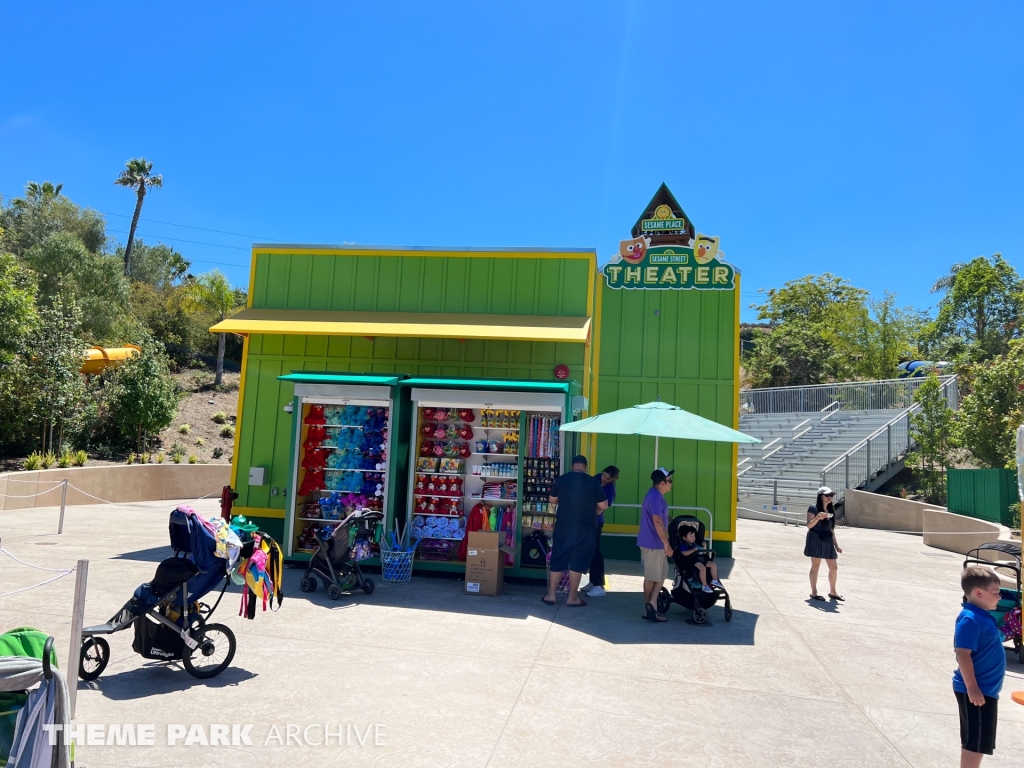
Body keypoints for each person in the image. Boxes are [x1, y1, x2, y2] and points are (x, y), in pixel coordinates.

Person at [953, 566, 1006, 767]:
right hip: (977, 692)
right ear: (978, 592)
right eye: (996, 592)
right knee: (974, 743)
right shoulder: (970, 619)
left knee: (980, 742)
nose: (999, 597)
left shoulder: (983, 615)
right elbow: (963, 653)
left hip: (986, 691)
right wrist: (972, 687)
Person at [542, 455, 608, 607]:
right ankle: (572, 598)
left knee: (558, 558)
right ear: (586, 467)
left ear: (572, 466)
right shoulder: (593, 482)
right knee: (578, 561)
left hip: (564, 527)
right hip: (585, 529)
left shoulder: (562, 479)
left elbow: (552, 500)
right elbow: (603, 505)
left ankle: (551, 595)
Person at [638, 468, 675, 622]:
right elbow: (657, 520)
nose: (671, 484)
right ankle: (649, 609)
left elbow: (660, 517)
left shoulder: (656, 496)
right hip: (654, 544)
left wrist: (669, 518)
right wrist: (667, 544)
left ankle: (652, 604)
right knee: (652, 577)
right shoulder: (654, 497)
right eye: (669, 481)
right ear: (662, 483)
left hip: (655, 544)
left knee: (660, 574)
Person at [582, 465, 619, 597]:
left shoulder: (610, 490)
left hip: (596, 522)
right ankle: (593, 581)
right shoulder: (596, 478)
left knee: (596, 552)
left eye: (608, 478)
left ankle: (599, 585)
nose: (604, 479)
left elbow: (600, 510)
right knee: (589, 551)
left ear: (613, 480)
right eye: (604, 475)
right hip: (588, 519)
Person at [805, 486, 843, 602]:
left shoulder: (831, 510)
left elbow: (832, 529)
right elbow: (809, 525)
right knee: (815, 566)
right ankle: (814, 592)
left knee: (834, 567)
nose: (830, 497)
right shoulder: (813, 508)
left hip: (827, 539)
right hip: (816, 538)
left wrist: (836, 545)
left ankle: (833, 592)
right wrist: (818, 518)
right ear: (820, 496)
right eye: (827, 495)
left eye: (831, 495)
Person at [677, 527, 723, 593]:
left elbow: (703, 552)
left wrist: (704, 547)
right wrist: (693, 550)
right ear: (684, 538)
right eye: (691, 536)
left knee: (713, 565)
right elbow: (684, 553)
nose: (693, 538)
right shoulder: (683, 545)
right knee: (702, 568)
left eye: (694, 536)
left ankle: (715, 581)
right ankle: (704, 585)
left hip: (699, 558)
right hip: (691, 560)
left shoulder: (695, 544)